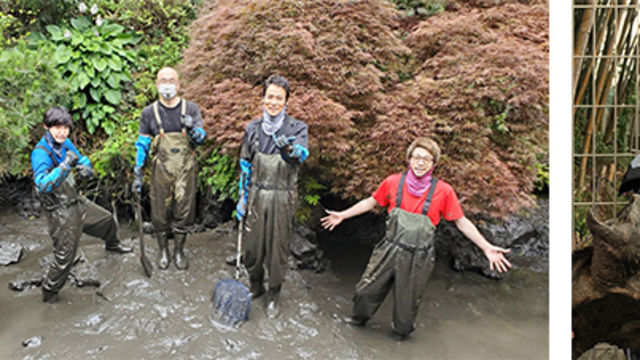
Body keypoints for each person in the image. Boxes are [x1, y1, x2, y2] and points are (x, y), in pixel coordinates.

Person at [321, 137, 511, 339]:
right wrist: (343, 215)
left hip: (418, 256)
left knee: (406, 307)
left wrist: (486, 247)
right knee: (365, 292)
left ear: (433, 164)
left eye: (426, 159)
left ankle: (399, 336)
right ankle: (357, 322)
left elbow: (461, 222)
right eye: (417, 157)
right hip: (389, 249)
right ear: (409, 160)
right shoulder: (393, 182)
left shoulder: (444, 191)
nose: (421, 163)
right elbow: (371, 202)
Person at [31, 106, 132, 303]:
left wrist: (86, 166)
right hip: (59, 211)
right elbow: (43, 185)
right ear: (46, 127)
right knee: (64, 257)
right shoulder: (40, 153)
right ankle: (49, 295)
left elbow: (81, 157)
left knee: (106, 219)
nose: (62, 132)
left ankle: (113, 245)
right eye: (57, 127)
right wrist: (64, 165)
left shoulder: (65, 143)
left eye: (65, 127)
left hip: (76, 201)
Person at [236, 75, 309, 318]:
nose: (274, 102)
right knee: (253, 246)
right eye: (270, 97)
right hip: (257, 193)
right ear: (263, 99)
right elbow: (245, 164)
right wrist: (242, 197)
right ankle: (255, 285)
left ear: (286, 101)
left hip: (283, 196)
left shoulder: (297, 128)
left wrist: (289, 150)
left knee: (277, 247)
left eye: (279, 98)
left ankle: (274, 295)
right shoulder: (253, 129)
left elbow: (301, 155)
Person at [133, 66, 206, 271]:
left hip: (186, 168)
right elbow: (142, 143)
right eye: (163, 80)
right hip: (161, 169)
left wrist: (192, 130)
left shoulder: (191, 109)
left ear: (179, 84)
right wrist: (138, 170)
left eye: (171, 80)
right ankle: (163, 250)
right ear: (157, 85)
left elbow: (201, 139)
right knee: (159, 211)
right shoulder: (149, 113)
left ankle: (179, 251)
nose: (167, 84)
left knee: (185, 210)